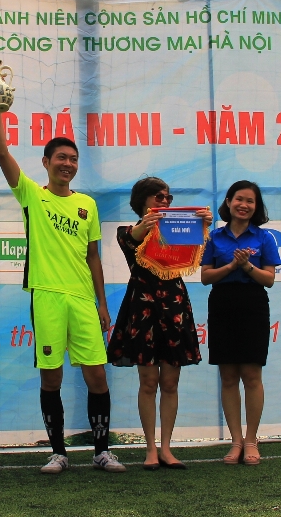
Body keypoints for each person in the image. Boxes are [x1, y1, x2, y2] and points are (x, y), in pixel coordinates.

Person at [0, 107, 126, 474]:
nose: (68, 164)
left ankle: (101, 451)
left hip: (82, 300)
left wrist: (101, 303)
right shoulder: (32, 195)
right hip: (47, 295)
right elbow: (1, 152)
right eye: (61, 158)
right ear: (46, 162)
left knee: (97, 377)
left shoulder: (87, 204)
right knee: (52, 378)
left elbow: (93, 256)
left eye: (73, 159)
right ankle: (59, 453)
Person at [106, 177, 212, 470]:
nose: (164, 202)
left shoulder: (177, 227)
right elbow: (133, 238)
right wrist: (149, 223)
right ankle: (150, 449)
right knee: (148, 382)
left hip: (174, 306)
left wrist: (203, 225)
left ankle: (166, 448)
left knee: (170, 382)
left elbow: (200, 251)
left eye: (167, 198)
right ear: (142, 200)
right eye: (158, 197)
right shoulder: (127, 232)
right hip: (142, 307)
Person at [200, 180, 280, 466]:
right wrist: (232, 266)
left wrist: (246, 266)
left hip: (252, 304)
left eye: (250, 201)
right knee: (228, 376)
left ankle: (251, 440)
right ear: (229, 202)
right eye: (239, 199)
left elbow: (269, 279)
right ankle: (235, 441)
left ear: (256, 207)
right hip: (222, 303)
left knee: (252, 375)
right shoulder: (214, 237)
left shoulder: (264, 238)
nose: (244, 205)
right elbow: (205, 277)